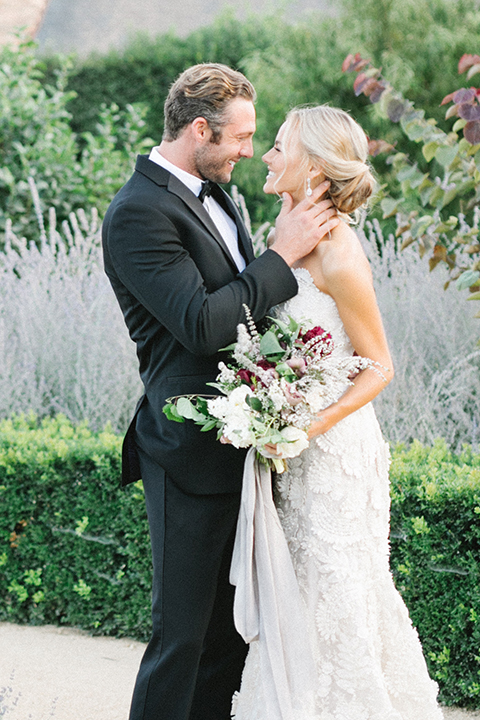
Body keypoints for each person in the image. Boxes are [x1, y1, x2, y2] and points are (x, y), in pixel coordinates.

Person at [102, 65, 338, 720]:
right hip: (184, 453)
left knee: (228, 642)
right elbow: (204, 326)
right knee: (181, 639)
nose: (247, 151)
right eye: (240, 138)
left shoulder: (214, 193)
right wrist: (281, 258)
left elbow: (244, 314)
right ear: (200, 129)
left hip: (242, 444)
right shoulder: (137, 213)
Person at [232, 106, 444, 719]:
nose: (267, 156)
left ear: (315, 170)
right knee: (294, 594)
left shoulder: (338, 252)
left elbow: (379, 365)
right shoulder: (284, 230)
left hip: (331, 454)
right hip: (289, 452)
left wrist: (303, 426)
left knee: (338, 592)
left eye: (278, 146)